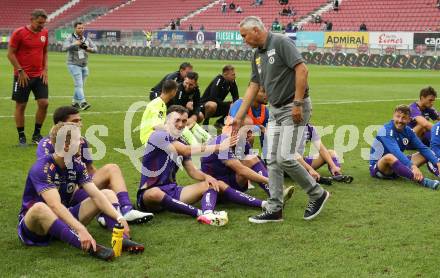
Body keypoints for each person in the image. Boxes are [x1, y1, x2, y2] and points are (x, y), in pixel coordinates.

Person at [235, 16, 330, 223]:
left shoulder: (281, 42)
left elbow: (302, 69)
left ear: (256, 30)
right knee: (272, 159)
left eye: (245, 35)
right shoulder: (257, 55)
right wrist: (239, 116)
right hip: (276, 110)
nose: (244, 40)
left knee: (286, 156)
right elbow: (253, 85)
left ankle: (317, 193)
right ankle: (275, 208)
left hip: (293, 108)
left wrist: (297, 103)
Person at [18, 122, 144, 261]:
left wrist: (119, 217)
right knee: (40, 208)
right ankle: (91, 247)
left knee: (106, 193)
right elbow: (55, 206)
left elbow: (95, 194)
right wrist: (81, 229)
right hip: (36, 228)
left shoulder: (76, 164)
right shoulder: (42, 168)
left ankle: (121, 238)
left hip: (63, 220)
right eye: (78, 139)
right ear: (66, 146)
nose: (82, 141)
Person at [137, 105, 268, 225]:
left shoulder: (181, 140)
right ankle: (199, 213)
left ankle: (209, 213)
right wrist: (218, 147)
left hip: (172, 191)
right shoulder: (157, 136)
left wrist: (207, 177)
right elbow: (185, 150)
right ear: (167, 120)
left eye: (184, 121)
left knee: (212, 183)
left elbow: (192, 171)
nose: (181, 124)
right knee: (154, 193)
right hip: (149, 197)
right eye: (177, 120)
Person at [36, 106, 154, 225]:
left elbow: (90, 168)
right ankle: (104, 214)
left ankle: (126, 209)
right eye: (75, 121)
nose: (80, 124)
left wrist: (106, 184)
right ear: (61, 125)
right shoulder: (45, 144)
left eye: (80, 120)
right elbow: (46, 171)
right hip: (61, 192)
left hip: (79, 186)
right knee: (101, 195)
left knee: (112, 169)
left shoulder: (82, 141)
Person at [201, 119, 295, 201]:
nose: (251, 134)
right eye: (247, 130)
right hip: (215, 188)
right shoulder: (223, 142)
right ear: (236, 130)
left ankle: (275, 194)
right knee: (248, 163)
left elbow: (256, 163)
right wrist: (270, 181)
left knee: (251, 158)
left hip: (229, 180)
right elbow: (241, 170)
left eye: (252, 130)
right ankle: (273, 194)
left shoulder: (242, 141)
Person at [370, 105, 440, 189]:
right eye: (398, 116)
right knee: (389, 156)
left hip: (398, 166)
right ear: (393, 116)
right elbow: (395, 152)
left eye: (403, 118)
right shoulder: (385, 130)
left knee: (426, 153)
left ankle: (438, 173)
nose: (400, 120)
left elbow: (422, 148)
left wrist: (437, 163)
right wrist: (412, 166)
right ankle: (424, 181)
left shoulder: (408, 131)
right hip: (380, 168)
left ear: (409, 119)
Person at [7, 9, 49, 146]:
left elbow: (44, 52)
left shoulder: (44, 33)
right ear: (32, 19)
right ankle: (21, 136)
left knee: (44, 103)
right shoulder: (19, 33)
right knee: (21, 105)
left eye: (43, 23)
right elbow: (10, 54)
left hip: (39, 76)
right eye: (39, 23)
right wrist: (20, 70)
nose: (41, 26)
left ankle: (37, 134)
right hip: (22, 76)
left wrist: (45, 69)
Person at [168, 72, 211, 145]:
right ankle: (187, 135)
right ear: (184, 79)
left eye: (191, 84)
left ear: (195, 83)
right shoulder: (179, 89)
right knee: (189, 122)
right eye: (186, 83)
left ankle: (207, 139)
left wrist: (194, 116)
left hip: (184, 111)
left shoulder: (196, 90)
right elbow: (177, 108)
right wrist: (186, 108)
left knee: (200, 116)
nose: (187, 86)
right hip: (174, 113)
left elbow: (198, 104)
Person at [62, 22, 97, 111]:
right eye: (79, 28)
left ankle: (74, 102)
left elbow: (95, 49)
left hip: (84, 65)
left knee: (79, 86)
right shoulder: (70, 37)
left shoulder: (86, 39)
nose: (81, 30)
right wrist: (74, 44)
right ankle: (83, 103)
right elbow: (64, 48)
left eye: (82, 28)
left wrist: (88, 48)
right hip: (73, 64)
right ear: (75, 28)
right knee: (79, 84)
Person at [141, 80, 178, 145]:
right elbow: (157, 126)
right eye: (176, 91)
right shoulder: (158, 104)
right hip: (150, 138)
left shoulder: (160, 103)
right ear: (173, 92)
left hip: (151, 136)